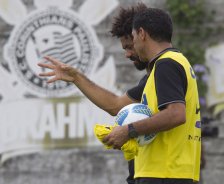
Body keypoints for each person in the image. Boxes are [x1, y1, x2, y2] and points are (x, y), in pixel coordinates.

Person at [38, 3, 148, 184]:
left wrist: (128, 131)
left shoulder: (164, 72)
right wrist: (76, 77)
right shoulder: (149, 79)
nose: (127, 54)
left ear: (141, 36)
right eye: (124, 49)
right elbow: (118, 106)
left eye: (130, 46)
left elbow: (115, 106)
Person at [103, 7, 202, 184]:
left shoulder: (166, 64)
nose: (130, 50)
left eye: (132, 38)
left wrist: (129, 130)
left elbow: (176, 114)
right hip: (169, 172)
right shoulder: (172, 63)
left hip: (164, 173)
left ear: (141, 33)